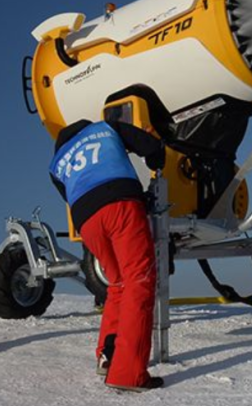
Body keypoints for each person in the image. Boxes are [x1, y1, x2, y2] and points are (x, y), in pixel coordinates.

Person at [49, 112, 167, 392]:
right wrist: (157, 162)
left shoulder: (56, 162)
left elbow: (68, 192)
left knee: (118, 284)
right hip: (120, 204)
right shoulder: (106, 128)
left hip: (87, 220)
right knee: (139, 281)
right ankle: (128, 374)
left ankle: (108, 356)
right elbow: (151, 148)